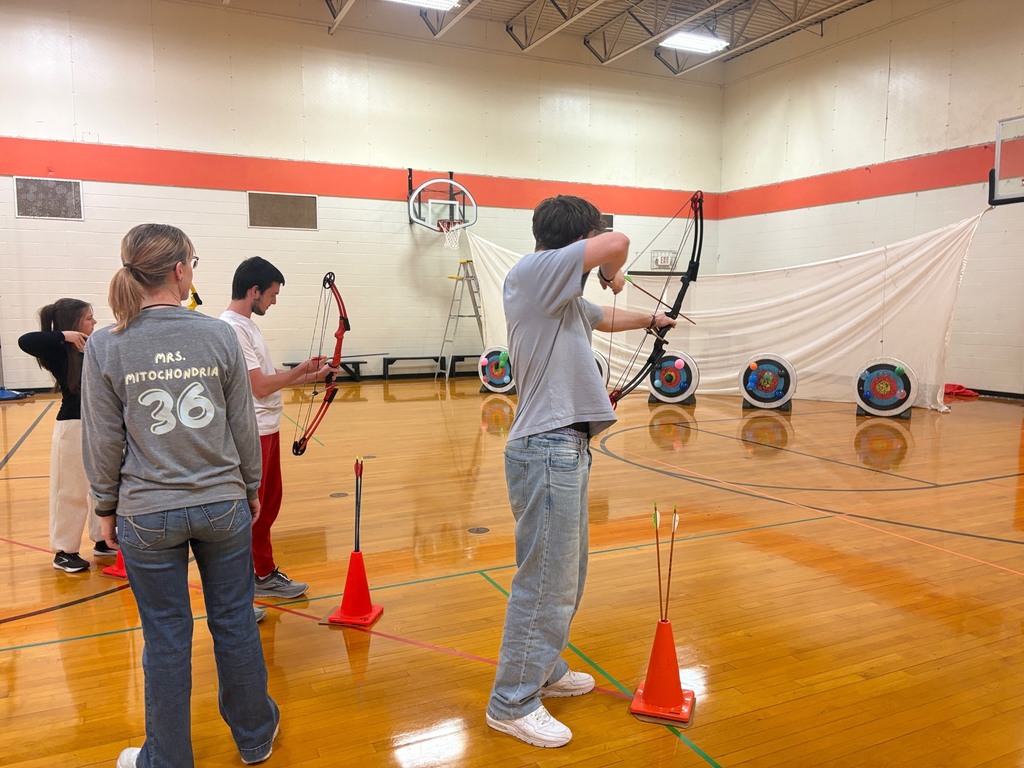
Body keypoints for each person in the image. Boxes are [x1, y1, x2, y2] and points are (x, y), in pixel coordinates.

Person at [81, 224, 279, 768]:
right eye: (193, 260)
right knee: (234, 619)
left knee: (166, 637)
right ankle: (254, 738)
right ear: (179, 271)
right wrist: (251, 488)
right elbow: (243, 425)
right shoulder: (217, 335)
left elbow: (102, 439)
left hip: (147, 514)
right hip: (222, 506)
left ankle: (166, 760)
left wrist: (104, 509)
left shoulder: (106, 343)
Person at [486, 195, 677, 748]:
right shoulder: (537, 271)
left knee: (566, 577)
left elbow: (605, 318)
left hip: (562, 449)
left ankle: (541, 667)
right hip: (546, 449)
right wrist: (615, 274)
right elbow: (615, 245)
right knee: (546, 582)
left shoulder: (558, 296)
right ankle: (511, 701)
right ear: (578, 240)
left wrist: (651, 317)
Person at [220, 257, 334, 600]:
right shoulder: (233, 328)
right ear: (253, 291)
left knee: (267, 506)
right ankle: (246, 585)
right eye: (272, 294)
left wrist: (315, 376)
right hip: (252, 431)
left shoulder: (247, 324)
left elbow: (265, 381)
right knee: (253, 510)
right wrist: (301, 369)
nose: (274, 300)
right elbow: (260, 387)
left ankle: (263, 573)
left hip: (266, 427)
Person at [18, 298, 114, 572]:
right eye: (88, 318)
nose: (94, 322)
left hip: (100, 426)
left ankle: (102, 540)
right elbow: (27, 341)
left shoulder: (95, 347)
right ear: (73, 324)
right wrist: (64, 335)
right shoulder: (60, 351)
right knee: (70, 489)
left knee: (102, 487)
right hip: (73, 426)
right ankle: (64, 550)